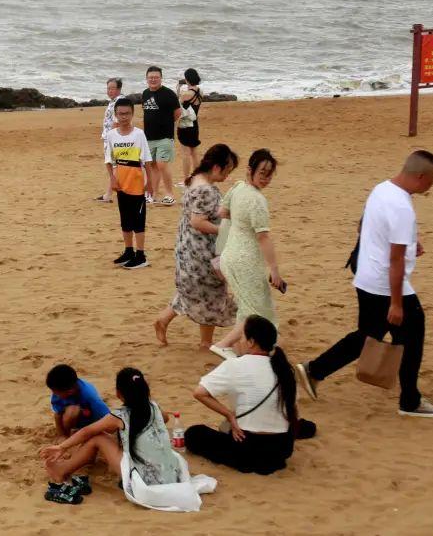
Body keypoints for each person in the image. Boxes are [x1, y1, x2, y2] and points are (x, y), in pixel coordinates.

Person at [296, 151, 433, 418]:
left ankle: (314, 370)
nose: (432, 186)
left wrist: (411, 240)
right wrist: (397, 303)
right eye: (432, 181)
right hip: (385, 284)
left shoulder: (381, 189)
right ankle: (410, 401)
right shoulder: (402, 208)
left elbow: (364, 226)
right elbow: (396, 260)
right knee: (412, 334)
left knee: (370, 334)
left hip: (367, 276)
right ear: (420, 177)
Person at [39, 368, 215, 510]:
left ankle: (63, 469)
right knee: (111, 438)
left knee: (98, 437)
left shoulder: (120, 415)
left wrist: (62, 447)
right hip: (169, 473)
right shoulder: (154, 407)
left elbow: (87, 431)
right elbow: (166, 418)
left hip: (143, 479)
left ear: (118, 393)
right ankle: (75, 464)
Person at [186, 315, 314, 475]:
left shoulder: (235, 365)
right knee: (306, 426)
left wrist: (229, 414)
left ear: (251, 342)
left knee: (194, 433)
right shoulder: (284, 369)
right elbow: (291, 410)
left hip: (248, 450)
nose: (237, 342)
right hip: (281, 449)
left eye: (241, 337)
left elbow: (199, 393)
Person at [155, 144, 240, 350]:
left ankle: (164, 320)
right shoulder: (205, 189)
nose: (228, 175)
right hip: (201, 251)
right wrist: (225, 231)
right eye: (227, 170)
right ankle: (205, 342)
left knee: (192, 292)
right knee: (210, 293)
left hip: (187, 246)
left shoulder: (194, 180)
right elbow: (198, 221)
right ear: (217, 167)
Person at [210, 149, 284, 359]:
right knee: (256, 310)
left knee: (249, 305)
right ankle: (224, 345)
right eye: (263, 172)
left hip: (229, 257)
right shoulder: (257, 200)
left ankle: (245, 349)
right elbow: (263, 238)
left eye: (269, 174)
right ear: (250, 170)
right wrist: (275, 270)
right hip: (246, 261)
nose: (266, 178)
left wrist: (240, 222)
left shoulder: (238, 187)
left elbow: (222, 213)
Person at [104, 97, 152, 269]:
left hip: (137, 183)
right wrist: (112, 179)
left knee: (138, 220)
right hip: (121, 182)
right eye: (120, 114)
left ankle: (141, 255)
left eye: (127, 114)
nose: (123, 117)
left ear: (132, 114)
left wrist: (150, 183)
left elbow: (146, 159)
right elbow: (109, 160)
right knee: (125, 219)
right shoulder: (111, 135)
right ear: (115, 115)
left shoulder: (139, 134)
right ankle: (129, 250)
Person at [141, 67, 182, 206]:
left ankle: (169, 194)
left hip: (165, 136)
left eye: (156, 77)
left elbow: (177, 113)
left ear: (161, 78)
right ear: (147, 78)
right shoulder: (145, 93)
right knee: (152, 166)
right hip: (149, 137)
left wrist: (166, 124)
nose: (153, 79)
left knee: (162, 164)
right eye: (150, 77)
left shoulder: (169, 94)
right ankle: (151, 195)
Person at [46, 364, 112, 439]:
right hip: (77, 418)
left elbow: (108, 418)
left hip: (92, 418)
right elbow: (58, 415)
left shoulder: (90, 396)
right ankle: (68, 434)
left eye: (56, 392)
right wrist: (62, 435)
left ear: (70, 392)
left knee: (106, 428)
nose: (54, 394)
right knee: (71, 412)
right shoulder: (58, 394)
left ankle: (79, 432)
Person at [94, 77, 123, 203]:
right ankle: (109, 193)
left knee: (114, 167)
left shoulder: (119, 101)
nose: (110, 91)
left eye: (113, 88)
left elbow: (118, 122)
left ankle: (109, 194)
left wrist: (113, 138)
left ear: (119, 89)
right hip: (109, 137)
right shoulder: (113, 101)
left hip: (114, 139)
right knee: (111, 166)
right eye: (108, 88)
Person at [176, 68, 204, 182]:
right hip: (194, 124)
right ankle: (197, 177)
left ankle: (186, 179)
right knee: (194, 152)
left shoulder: (186, 94)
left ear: (187, 79)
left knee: (185, 153)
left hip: (185, 125)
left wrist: (178, 88)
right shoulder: (200, 91)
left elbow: (177, 105)